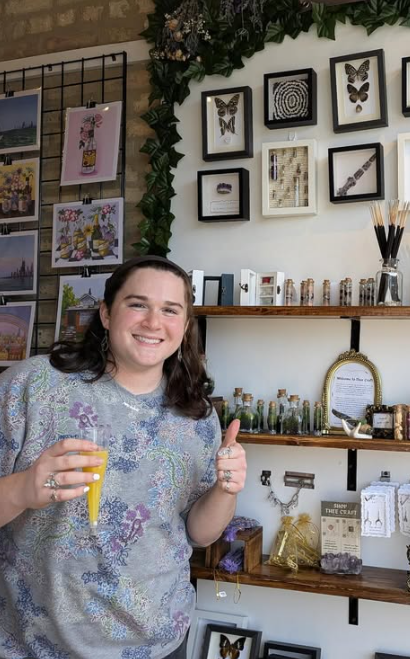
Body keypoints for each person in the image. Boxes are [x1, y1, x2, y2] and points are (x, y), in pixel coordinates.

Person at [0, 255, 246, 659]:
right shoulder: (31, 387)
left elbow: (200, 534)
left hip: (158, 644)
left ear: (183, 328)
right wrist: (26, 488)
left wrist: (226, 489)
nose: (153, 322)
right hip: (33, 645)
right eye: (138, 304)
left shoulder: (197, 415)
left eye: (170, 310)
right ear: (107, 313)